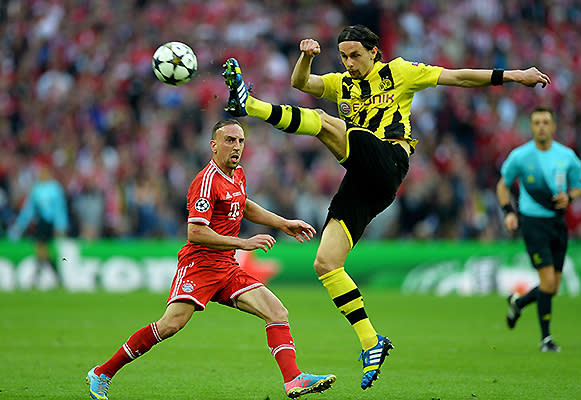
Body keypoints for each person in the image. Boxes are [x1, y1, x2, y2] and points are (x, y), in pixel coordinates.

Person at [222, 24, 551, 389]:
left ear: (374, 51)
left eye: (356, 56)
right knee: (326, 262)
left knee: (324, 123)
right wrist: (306, 57)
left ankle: (247, 104)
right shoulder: (341, 83)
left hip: (390, 159)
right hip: (365, 179)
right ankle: (370, 341)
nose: (349, 63)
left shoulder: (400, 72)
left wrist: (515, 75)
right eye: (344, 56)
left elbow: (458, 77)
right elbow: (302, 84)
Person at [86, 119, 335, 399]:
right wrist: (243, 242)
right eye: (229, 140)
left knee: (277, 312)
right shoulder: (205, 182)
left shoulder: (237, 173)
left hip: (226, 267)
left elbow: (243, 204)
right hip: (199, 266)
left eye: (240, 141)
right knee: (170, 325)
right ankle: (102, 372)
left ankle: (293, 380)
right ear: (213, 146)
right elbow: (195, 232)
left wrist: (282, 222)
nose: (237, 146)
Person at [496, 106, 581, 352]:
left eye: (546, 122)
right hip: (533, 223)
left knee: (553, 287)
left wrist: (570, 197)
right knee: (546, 281)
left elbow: (578, 185)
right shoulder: (521, 156)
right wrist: (508, 213)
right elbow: (502, 186)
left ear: (554, 126)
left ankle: (519, 303)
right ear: (531, 126)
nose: (542, 126)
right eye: (537, 122)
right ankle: (546, 339)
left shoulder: (566, 156)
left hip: (558, 223)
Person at [8, 161, 68, 288]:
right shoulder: (37, 188)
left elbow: (59, 209)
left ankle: (43, 275)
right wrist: (20, 225)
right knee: (41, 249)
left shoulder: (55, 188)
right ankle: (47, 276)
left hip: (50, 223)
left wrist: (61, 226)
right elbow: (29, 210)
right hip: (41, 222)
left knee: (42, 249)